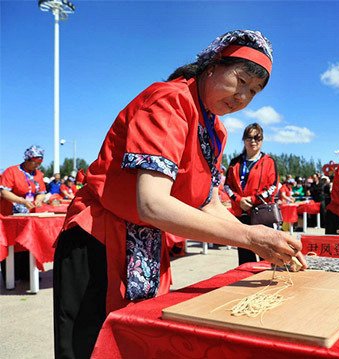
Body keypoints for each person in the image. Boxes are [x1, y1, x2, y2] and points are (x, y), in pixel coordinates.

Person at [53, 30, 306, 359]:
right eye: (241, 80)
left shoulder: (215, 130)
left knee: (137, 342)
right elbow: (152, 203)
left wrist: (262, 238)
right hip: (98, 240)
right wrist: (249, 237)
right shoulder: (170, 100)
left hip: (144, 244)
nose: (244, 96)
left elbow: (208, 202)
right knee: (90, 347)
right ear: (213, 65)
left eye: (254, 91)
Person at [224, 123, 280, 264]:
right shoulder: (235, 162)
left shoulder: (269, 162)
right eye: (249, 137)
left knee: (267, 254)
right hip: (241, 213)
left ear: (262, 140)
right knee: (244, 256)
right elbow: (227, 186)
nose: (253, 141)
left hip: (261, 213)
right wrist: (239, 200)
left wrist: (253, 200)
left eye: (257, 137)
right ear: (244, 139)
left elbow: (273, 186)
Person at [0, 145, 47, 281]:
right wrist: (21, 201)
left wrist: (39, 200)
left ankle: (28, 274)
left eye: (39, 163)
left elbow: (41, 192)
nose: (37, 166)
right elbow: (4, 192)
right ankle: (11, 276)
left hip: (28, 216)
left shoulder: (38, 174)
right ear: (27, 159)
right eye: (35, 162)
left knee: (27, 243)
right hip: (9, 215)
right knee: (11, 245)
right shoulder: (12, 171)